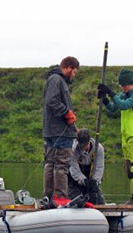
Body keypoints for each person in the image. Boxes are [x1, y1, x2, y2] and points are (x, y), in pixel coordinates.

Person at [98, 69, 133, 205]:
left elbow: (123, 105)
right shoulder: (125, 94)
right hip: (127, 135)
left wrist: (110, 92)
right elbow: (113, 108)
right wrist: (104, 100)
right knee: (128, 168)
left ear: (129, 83)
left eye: (122, 85)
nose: (121, 87)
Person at [42, 56, 80, 201]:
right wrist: (66, 112)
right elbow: (52, 101)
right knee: (61, 165)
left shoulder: (53, 79)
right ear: (69, 68)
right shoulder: (57, 80)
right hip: (59, 131)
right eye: (74, 72)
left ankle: (49, 198)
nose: (74, 75)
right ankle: (61, 199)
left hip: (52, 130)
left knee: (51, 164)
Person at [68, 129, 106, 205]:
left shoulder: (98, 149)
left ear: (89, 141)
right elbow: (73, 168)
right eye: (81, 145)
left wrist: (95, 181)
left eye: (85, 145)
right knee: (75, 199)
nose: (83, 148)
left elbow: (99, 168)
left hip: (91, 177)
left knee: (99, 201)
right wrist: (83, 180)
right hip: (76, 179)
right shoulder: (72, 150)